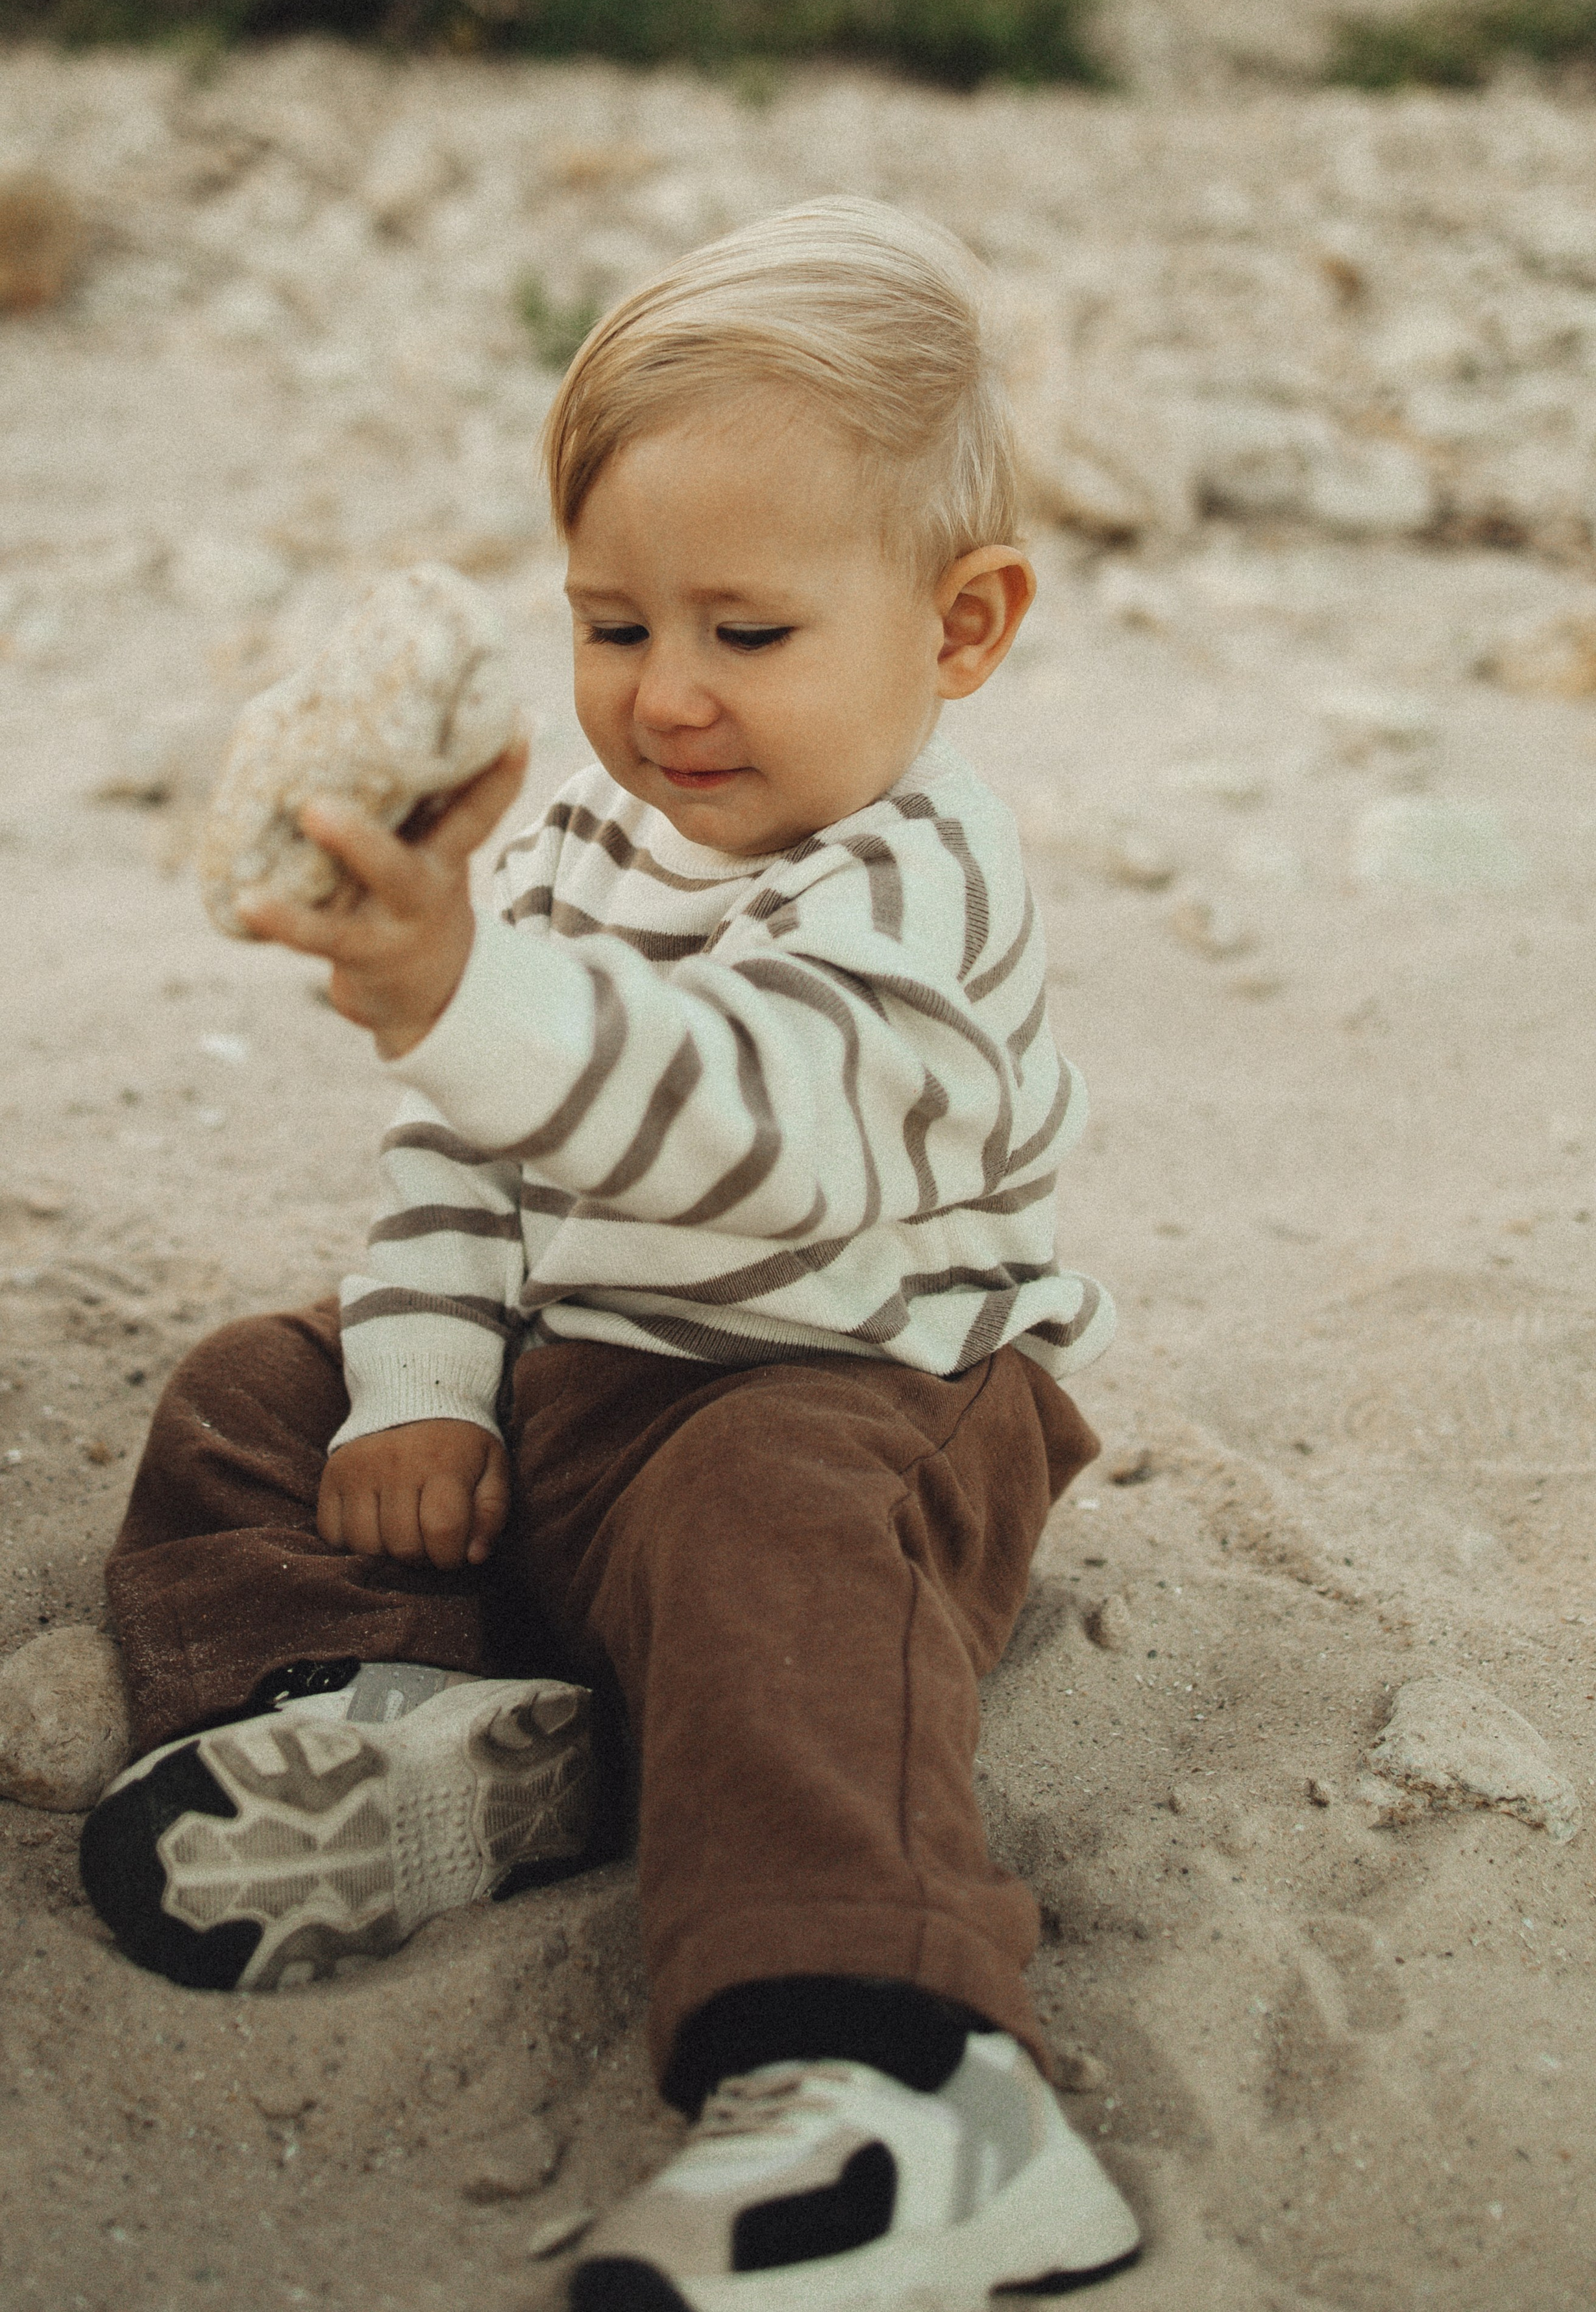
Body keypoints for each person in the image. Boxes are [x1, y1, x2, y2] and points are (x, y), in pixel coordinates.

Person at [79, 195, 1140, 2308]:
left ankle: (898, 2077)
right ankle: (401, 1728)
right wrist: (420, 1389)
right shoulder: (572, 837)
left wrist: (464, 993)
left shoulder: (920, 879)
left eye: (746, 635)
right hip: (575, 1404)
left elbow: (765, 1146)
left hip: (854, 1412)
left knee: (768, 1519)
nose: (664, 698)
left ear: (963, 627)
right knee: (254, 1389)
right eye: (610, 623)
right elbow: (461, 1164)